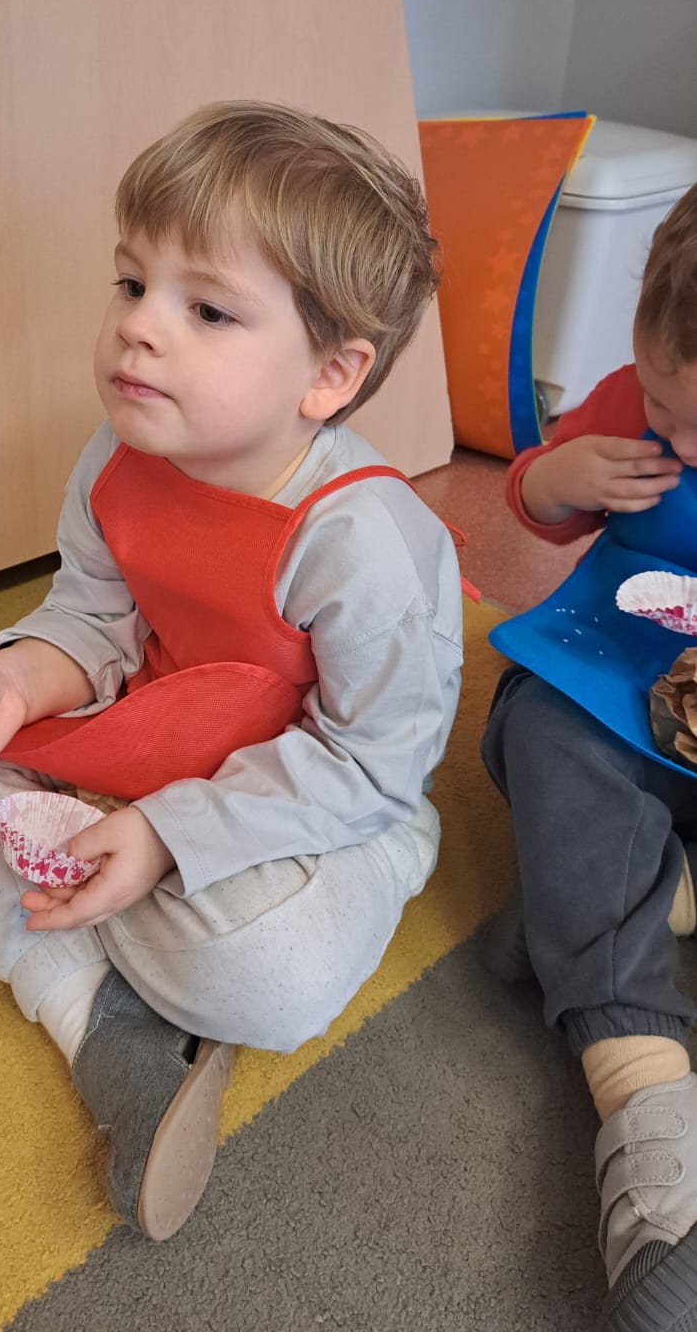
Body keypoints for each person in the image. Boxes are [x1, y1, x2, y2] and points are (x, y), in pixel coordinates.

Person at [0, 101, 464, 1241]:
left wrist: (171, 836)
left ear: (328, 375)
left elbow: (370, 768)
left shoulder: (365, 544)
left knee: (271, 977)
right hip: (147, 743)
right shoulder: (119, 453)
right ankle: (102, 1014)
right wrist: (17, 686)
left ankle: (19, 884)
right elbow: (90, 618)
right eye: (131, 283)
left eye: (207, 309)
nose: (138, 327)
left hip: (314, 808)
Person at [482, 182, 697, 1330]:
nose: (678, 443)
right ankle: (653, 1137)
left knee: (584, 846)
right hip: (608, 685)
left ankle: (605, 887)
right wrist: (552, 480)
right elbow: (534, 494)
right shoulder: (626, 399)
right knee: (541, 735)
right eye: (664, 402)